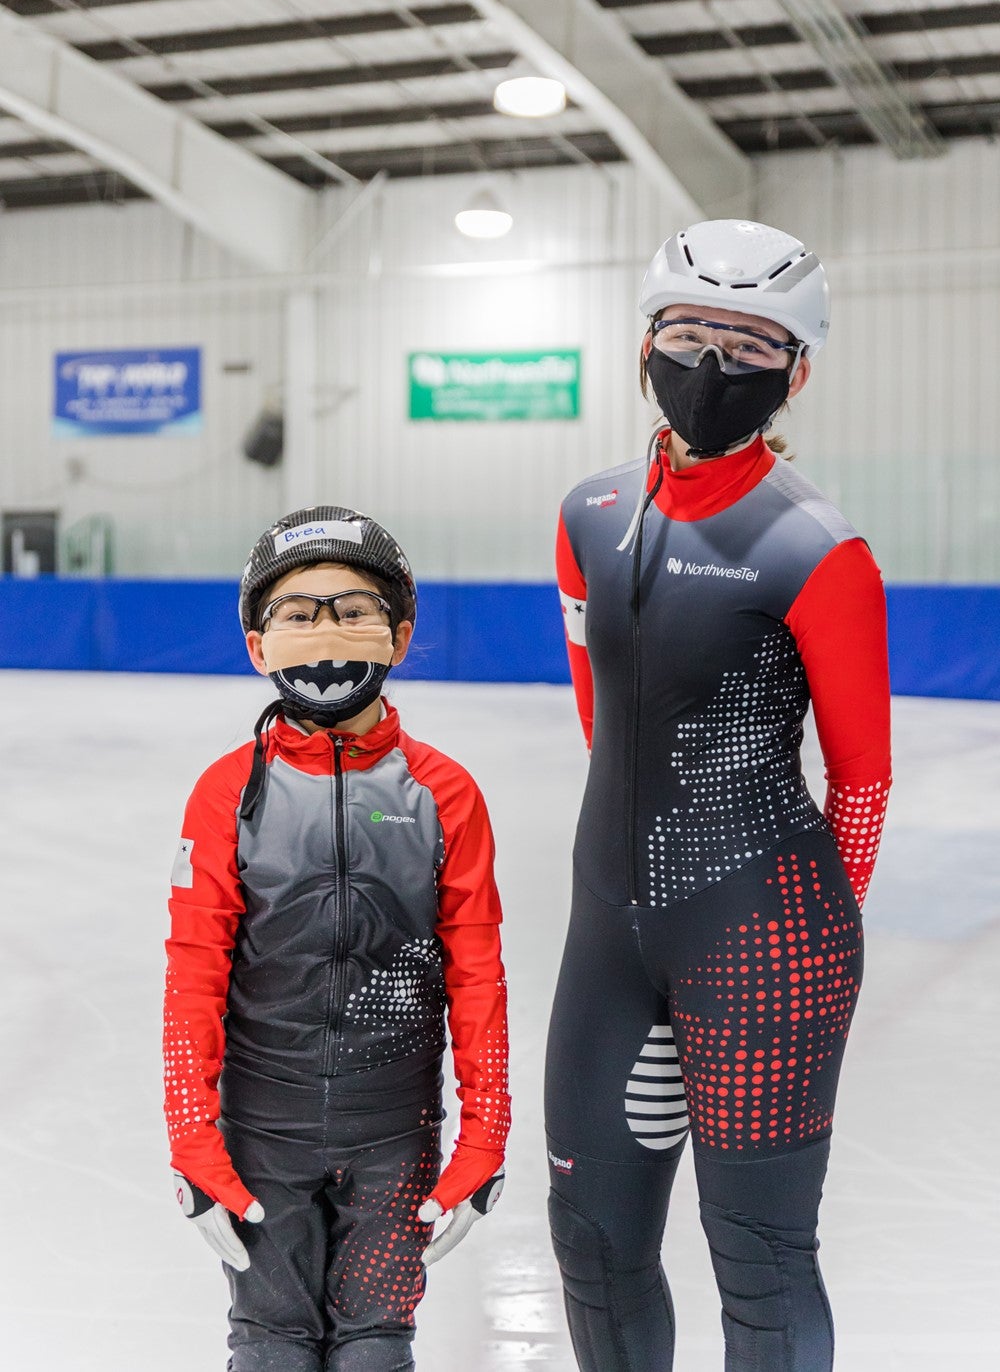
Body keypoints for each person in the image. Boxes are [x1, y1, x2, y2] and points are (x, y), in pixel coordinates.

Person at [545, 219, 891, 1372]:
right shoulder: (590, 516)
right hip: (607, 927)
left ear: (797, 372)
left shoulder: (815, 548)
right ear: (644, 341)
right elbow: (605, 719)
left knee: (759, 1256)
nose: (711, 363)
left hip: (762, 934)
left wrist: (805, 939)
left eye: (749, 343)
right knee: (593, 1245)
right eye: (689, 331)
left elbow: (864, 779)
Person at [163, 506, 510, 1372]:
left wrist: (487, 1135)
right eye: (297, 614)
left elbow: (477, 973)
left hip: (395, 1132)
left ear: (398, 633)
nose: (326, 636)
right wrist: (190, 1137)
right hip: (261, 1134)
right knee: (272, 1349)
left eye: (352, 610)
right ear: (257, 645)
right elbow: (194, 971)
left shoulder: (443, 793)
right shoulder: (225, 794)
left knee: (374, 1352)